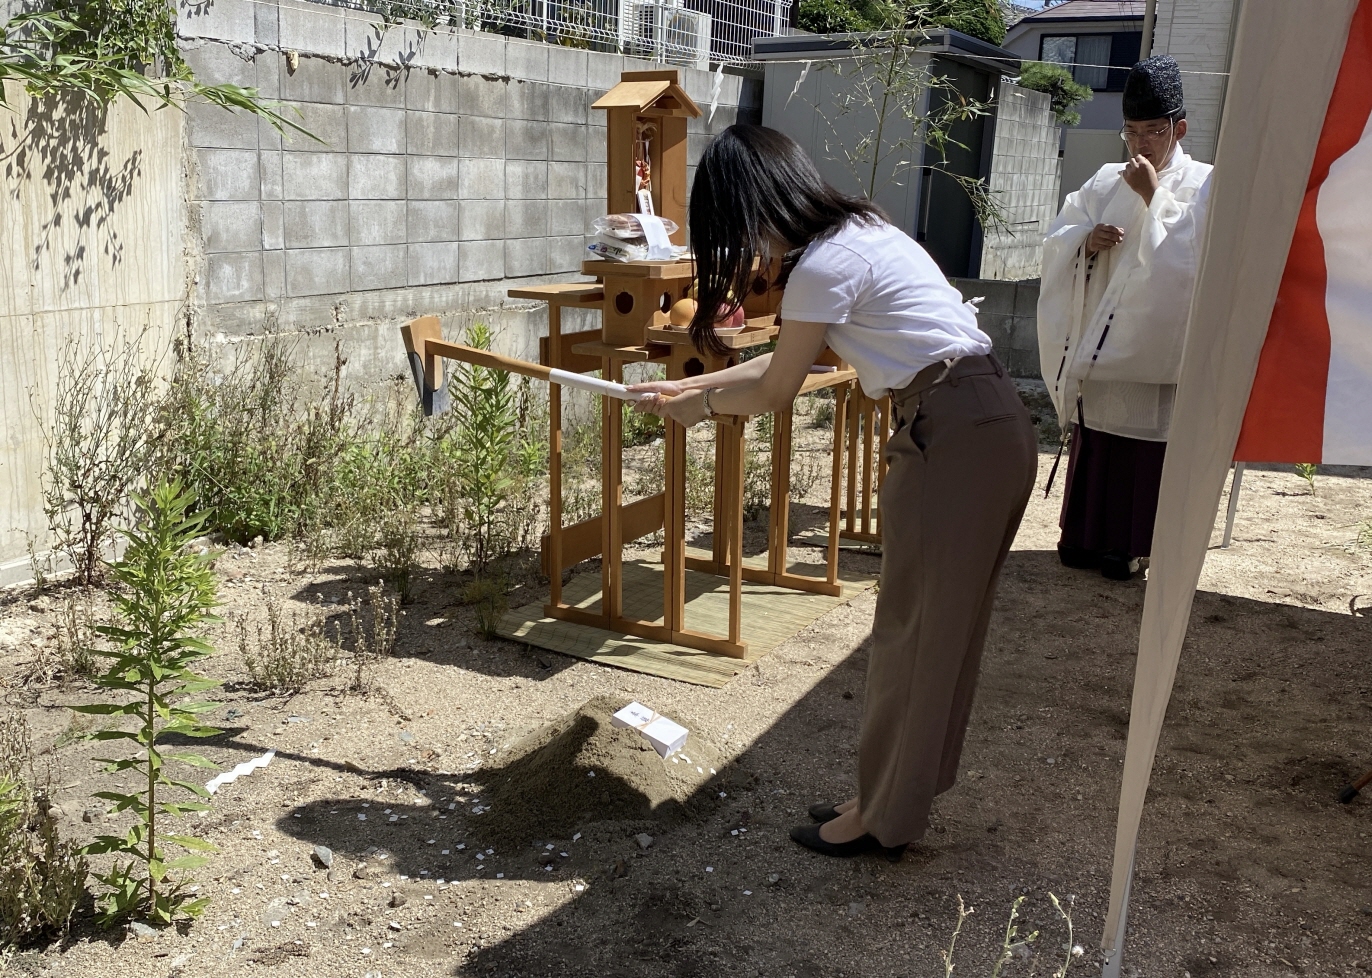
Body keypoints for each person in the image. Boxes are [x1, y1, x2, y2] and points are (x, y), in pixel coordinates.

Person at [627, 125, 1037, 860]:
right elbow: (779, 369)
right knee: (934, 632)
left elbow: (778, 387)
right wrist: (686, 389)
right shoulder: (862, 233)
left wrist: (702, 406)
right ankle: (889, 794)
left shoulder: (820, 268)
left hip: (954, 437)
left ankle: (884, 820)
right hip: (979, 423)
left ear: (751, 207)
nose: (745, 246)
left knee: (913, 636)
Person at [1038, 55, 1214, 581]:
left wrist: (1153, 195)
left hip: (1152, 349)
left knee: (1144, 452)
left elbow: (1195, 256)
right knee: (1101, 446)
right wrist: (1083, 244)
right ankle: (1083, 536)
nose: (1141, 144)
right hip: (1103, 343)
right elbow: (1058, 240)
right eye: (1132, 131)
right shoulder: (1103, 181)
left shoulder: (1204, 183)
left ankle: (1135, 545)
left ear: (1178, 128)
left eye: (1153, 131)